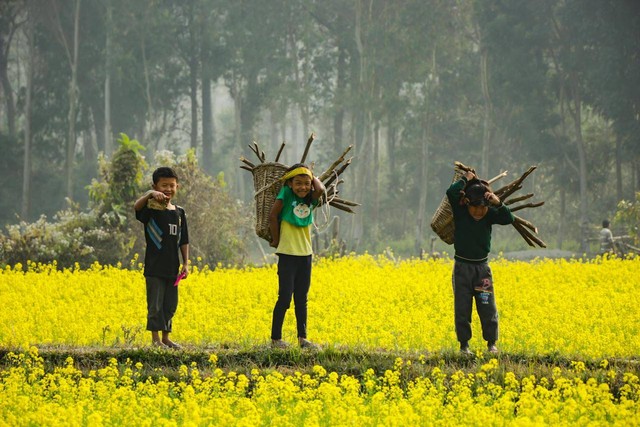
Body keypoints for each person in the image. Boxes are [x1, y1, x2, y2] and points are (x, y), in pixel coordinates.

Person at [446, 170, 515, 355]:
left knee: (487, 307)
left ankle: (492, 344)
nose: (479, 211)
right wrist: (465, 179)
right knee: (462, 308)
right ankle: (464, 346)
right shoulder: (460, 212)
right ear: (467, 203)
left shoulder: (490, 214)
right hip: (462, 269)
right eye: (475, 207)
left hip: (482, 270)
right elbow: (451, 193)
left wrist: (497, 203)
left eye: (483, 207)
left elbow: (509, 218)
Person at [268, 163, 325, 349]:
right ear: (290, 184)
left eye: (306, 183)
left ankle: (303, 338)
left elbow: (321, 189)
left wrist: (311, 175)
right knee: (284, 297)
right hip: (287, 254)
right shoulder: (286, 194)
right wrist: (275, 240)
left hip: (305, 255)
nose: (303, 187)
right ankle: (276, 339)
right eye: (298, 183)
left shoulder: (311, 200)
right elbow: (272, 216)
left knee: (301, 298)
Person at [134, 167, 189, 349]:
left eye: (171, 185)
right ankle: (156, 340)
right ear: (155, 186)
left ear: (177, 187)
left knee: (170, 304)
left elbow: (184, 240)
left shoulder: (179, 212)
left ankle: (166, 338)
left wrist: (185, 263)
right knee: (155, 305)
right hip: (154, 267)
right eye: (163, 185)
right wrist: (150, 195)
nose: (168, 189)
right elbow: (136, 208)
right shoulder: (151, 208)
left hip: (173, 268)